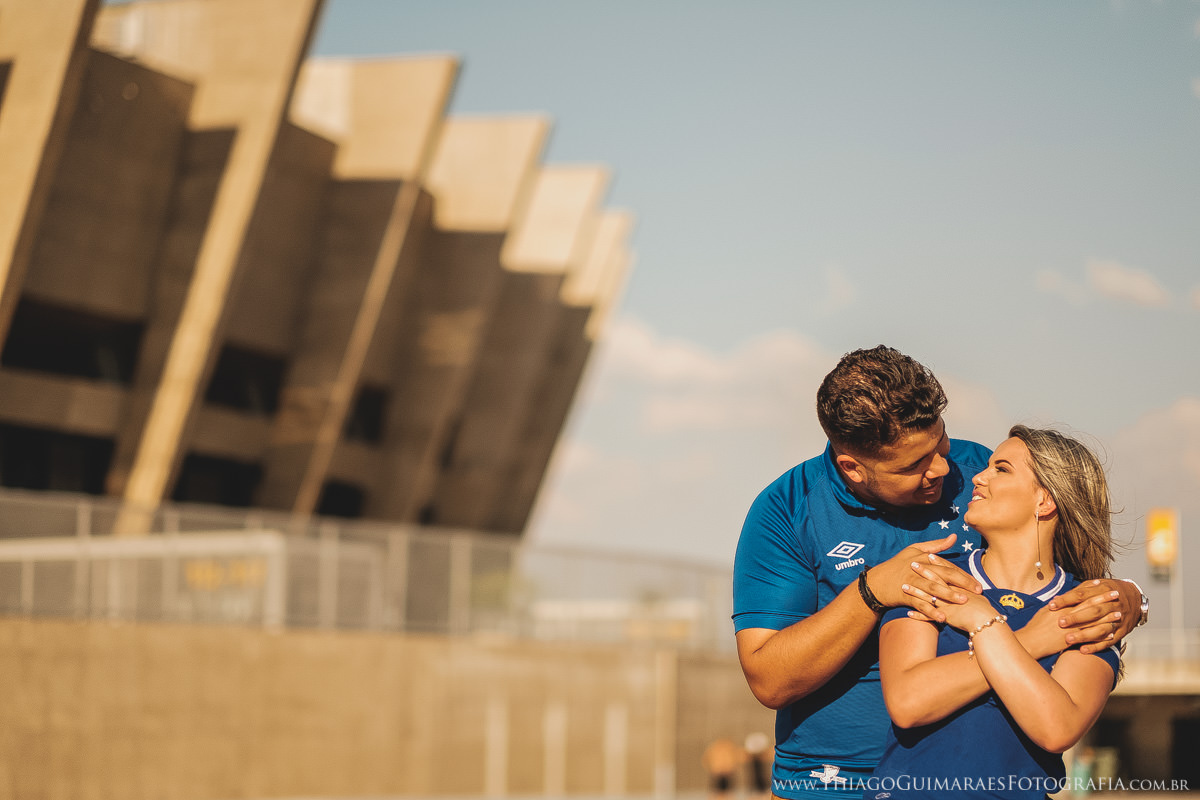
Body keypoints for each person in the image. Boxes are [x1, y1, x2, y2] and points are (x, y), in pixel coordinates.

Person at [732, 346, 1146, 800]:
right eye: (913, 465)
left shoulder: (978, 476)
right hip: (827, 783)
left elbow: (1057, 560)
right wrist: (872, 592)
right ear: (854, 467)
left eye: (940, 442)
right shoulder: (786, 510)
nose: (943, 468)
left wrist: (1129, 597)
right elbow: (770, 679)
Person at [869, 426, 1121, 799]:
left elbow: (1056, 727)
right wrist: (1030, 640)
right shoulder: (934, 574)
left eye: (1001, 469)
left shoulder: (1083, 606)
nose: (979, 477)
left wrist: (980, 622)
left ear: (1045, 501)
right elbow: (908, 701)